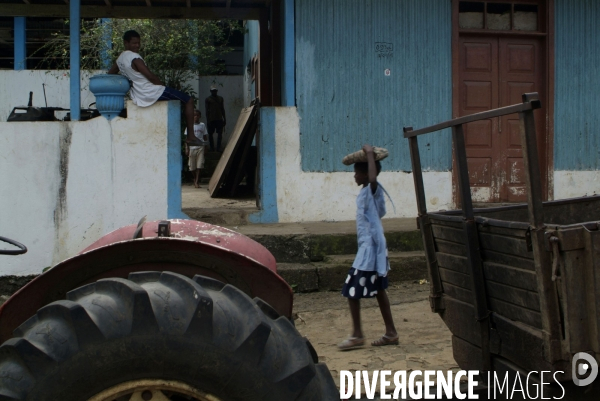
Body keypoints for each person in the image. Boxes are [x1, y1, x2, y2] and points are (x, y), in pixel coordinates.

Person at [338, 144, 398, 351]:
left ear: (366, 174)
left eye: (357, 172)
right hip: (371, 246)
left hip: (370, 250)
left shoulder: (372, 188)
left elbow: (373, 178)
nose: (354, 176)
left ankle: (357, 335)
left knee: (351, 290)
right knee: (380, 290)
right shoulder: (367, 191)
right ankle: (391, 332)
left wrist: (370, 154)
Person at [107, 30, 200, 145]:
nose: (137, 46)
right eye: (134, 43)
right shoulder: (135, 57)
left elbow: (110, 74)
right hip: (152, 91)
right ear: (126, 43)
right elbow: (150, 76)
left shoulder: (120, 59)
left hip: (138, 95)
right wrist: (162, 86)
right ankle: (191, 136)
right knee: (188, 100)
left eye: (138, 43)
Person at [185, 110, 208, 188]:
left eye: (197, 115)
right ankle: (195, 178)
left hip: (200, 147)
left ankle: (197, 181)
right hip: (192, 147)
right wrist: (186, 148)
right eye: (194, 115)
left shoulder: (202, 125)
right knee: (192, 167)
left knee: (200, 165)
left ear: (199, 116)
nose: (196, 117)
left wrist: (206, 147)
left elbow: (205, 137)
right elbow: (187, 139)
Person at [205, 85, 226, 152]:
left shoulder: (220, 98)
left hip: (219, 118)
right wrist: (208, 120)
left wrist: (224, 119)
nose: (214, 92)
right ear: (211, 91)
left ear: (217, 91)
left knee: (220, 133)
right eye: (213, 91)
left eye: (215, 91)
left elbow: (222, 109)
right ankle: (212, 148)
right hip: (211, 119)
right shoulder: (208, 99)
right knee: (210, 134)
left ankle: (218, 148)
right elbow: (207, 110)